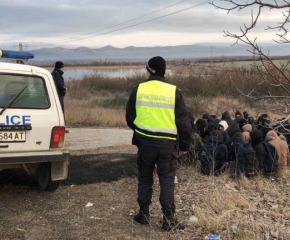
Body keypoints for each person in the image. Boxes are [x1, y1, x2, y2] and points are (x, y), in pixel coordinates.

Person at [126, 56, 191, 231]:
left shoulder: (138, 89)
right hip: (167, 145)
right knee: (167, 180)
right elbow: (184, 122)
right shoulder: (174, 91)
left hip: (145, 142)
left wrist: (141, 132)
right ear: (164, 71)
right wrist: (185, 145)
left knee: (145, 178)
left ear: (149, 70)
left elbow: (130, 118)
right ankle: (168, 221)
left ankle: (144, 214)